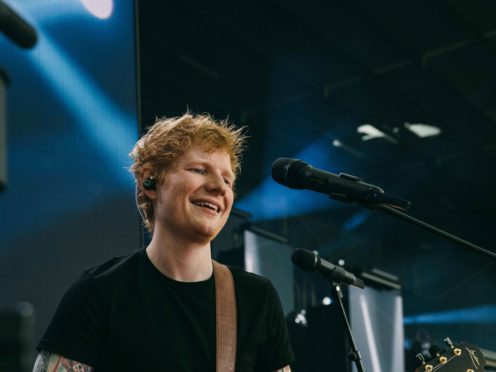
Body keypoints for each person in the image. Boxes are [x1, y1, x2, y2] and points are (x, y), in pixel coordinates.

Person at [33, 113, 294, 371]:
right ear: (150, 181)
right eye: (199, 170)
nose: (219, 187)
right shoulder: (98, 294)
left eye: (228, 180)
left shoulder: (256, 299)